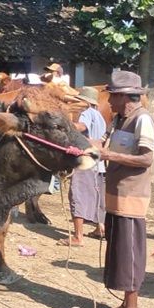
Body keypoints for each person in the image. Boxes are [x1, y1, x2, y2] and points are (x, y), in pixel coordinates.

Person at [98, 71, 154, 308]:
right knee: (119, 251)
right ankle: (125, 305)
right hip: (116, 195)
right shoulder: (120, 119)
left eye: (112, 95)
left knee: (129, 254)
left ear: (125, 97)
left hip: (131, 197)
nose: (109, 100)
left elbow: (146, 159)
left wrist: (109, 155)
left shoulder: (142, 119)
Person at [57, 86, 107, 246]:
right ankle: (101, 228)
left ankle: (78, 236)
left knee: (77, 195)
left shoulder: (86, 113)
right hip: (98, 162)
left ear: (84, 101)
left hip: (85, 160)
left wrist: (65, 124)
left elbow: (82, 127)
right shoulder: (100, 116)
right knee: (98, 197)